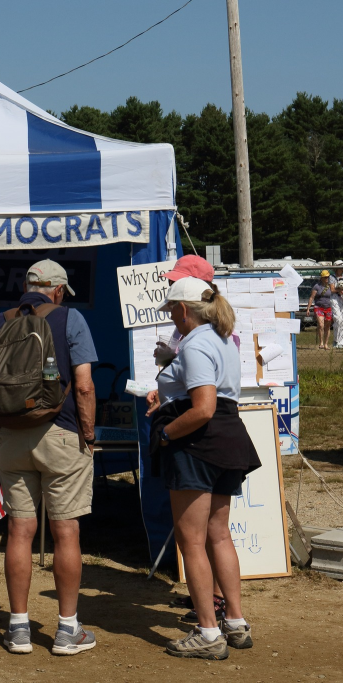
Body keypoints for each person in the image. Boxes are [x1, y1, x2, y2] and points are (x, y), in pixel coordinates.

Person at [0, 259, 98, 656]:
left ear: (27, 285)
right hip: (61, 434)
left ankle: (18, 628)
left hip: (11, 436)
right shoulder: (71, 319)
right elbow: (83, 385)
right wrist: (88, 433)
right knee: (66, 532)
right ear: (58, 290)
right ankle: (67, 631)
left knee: (19, 531)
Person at [146, 277, 260, 660]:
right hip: (228, 437)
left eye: (172, 312)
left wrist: (166, 435)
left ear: (182, 309)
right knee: (219, 534)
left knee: (192, 540)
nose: (172, 319)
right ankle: (235, 622)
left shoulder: (195, 342)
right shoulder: (223, 337)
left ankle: (209, 633)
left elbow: (203, 407)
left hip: (199, 441)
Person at [305, 270, 334, 350]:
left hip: (328, 308)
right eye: (325, 277)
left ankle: (326, 344)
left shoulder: (330, 286)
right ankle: (321, 342)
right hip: (319, 307)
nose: (326, 279)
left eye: (327, 277)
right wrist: (308, 308)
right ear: (321, 278)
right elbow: (312, 297)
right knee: (321, 325)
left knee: (327, 326)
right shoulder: (317, 286)